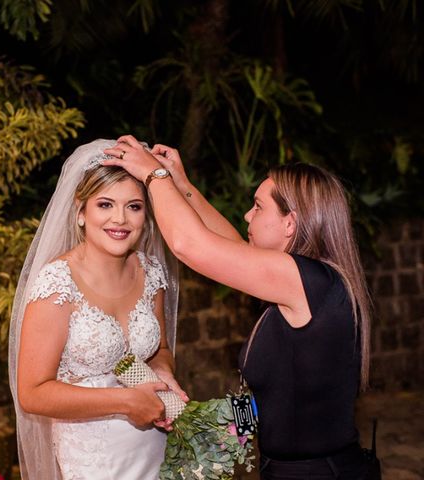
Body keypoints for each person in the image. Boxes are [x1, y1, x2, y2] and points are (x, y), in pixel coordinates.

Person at [103, 135, 376, 479]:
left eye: (258, 207)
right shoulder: (298, 287)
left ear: (290, 223)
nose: (248, 214)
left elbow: (191, 246)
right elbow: (227, 248)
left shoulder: (311, 280)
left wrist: (153, 176)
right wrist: (211, 426)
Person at [8, 139, 188, 480]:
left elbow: (160, 350)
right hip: (95, 463)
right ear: (81, 211)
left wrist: (163, 373)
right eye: (105, 204)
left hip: (153, 452)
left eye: (134, 207)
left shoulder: (151, 272)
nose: (119, 219)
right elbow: (32, 393)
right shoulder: (57, 285)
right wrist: (125, 402)